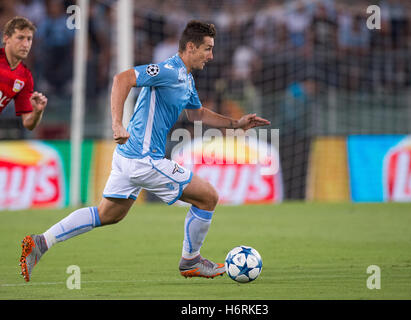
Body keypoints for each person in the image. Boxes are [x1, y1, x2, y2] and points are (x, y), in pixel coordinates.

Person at [19, 20, 270, 281]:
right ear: (191, 47)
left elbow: (197, 113)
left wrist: (236, 124)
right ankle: (191, 261)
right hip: (143, 158)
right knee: (208, 197)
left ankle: (41, 242)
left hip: (128, 157)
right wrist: (117, 123)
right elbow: (122, 78)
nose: (211, 56)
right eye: (207, 49)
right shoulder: (168, 70)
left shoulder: (185, 78)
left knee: (107, 215)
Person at [0, 16, 47, 130]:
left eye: (29, 39)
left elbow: (28, 123)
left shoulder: (25, 77)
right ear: (6, 38)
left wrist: (37, 112)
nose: (25, 44)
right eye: (20, 38)